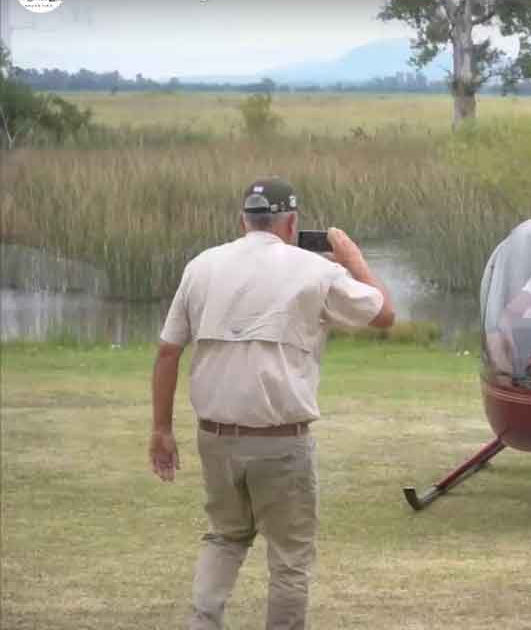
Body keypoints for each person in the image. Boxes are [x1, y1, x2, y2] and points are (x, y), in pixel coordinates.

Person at [148, 178, 395, 630]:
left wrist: (162, 431)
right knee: (289, 558)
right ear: (292, 222)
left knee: (224, 536)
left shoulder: (201, 266)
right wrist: (354, 260)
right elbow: (383, 315)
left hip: (215, 439)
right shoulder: (314, 270)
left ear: (243, 220)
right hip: (281, 443)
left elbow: (168, 352)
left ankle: (202, 622)